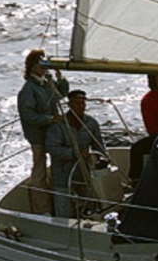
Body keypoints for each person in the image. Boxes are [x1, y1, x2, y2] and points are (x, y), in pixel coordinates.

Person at [17, 49, 69, 214]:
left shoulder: (47, 82)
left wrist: (60, 77)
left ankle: (58, 200)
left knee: (57, 164)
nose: (44, 67)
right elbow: (28, 115)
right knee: (39, 170)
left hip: (52, 133)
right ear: (32, 66)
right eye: (40, 63)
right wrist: (50, 119)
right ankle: (42, 209)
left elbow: (61, 94)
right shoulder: (28, 90)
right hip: (38, 135)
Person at [45, 90, 105, 219]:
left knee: (91, 205)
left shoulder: (91, 123)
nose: (81, 106)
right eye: (77, 103)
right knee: (63, 213)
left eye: (83, 103)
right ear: (69, 104)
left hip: (84, 172)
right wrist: (74, 153)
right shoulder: (58, 126)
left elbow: (99, 146)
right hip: (62, 174)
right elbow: (52, 148)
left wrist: (100, 159)